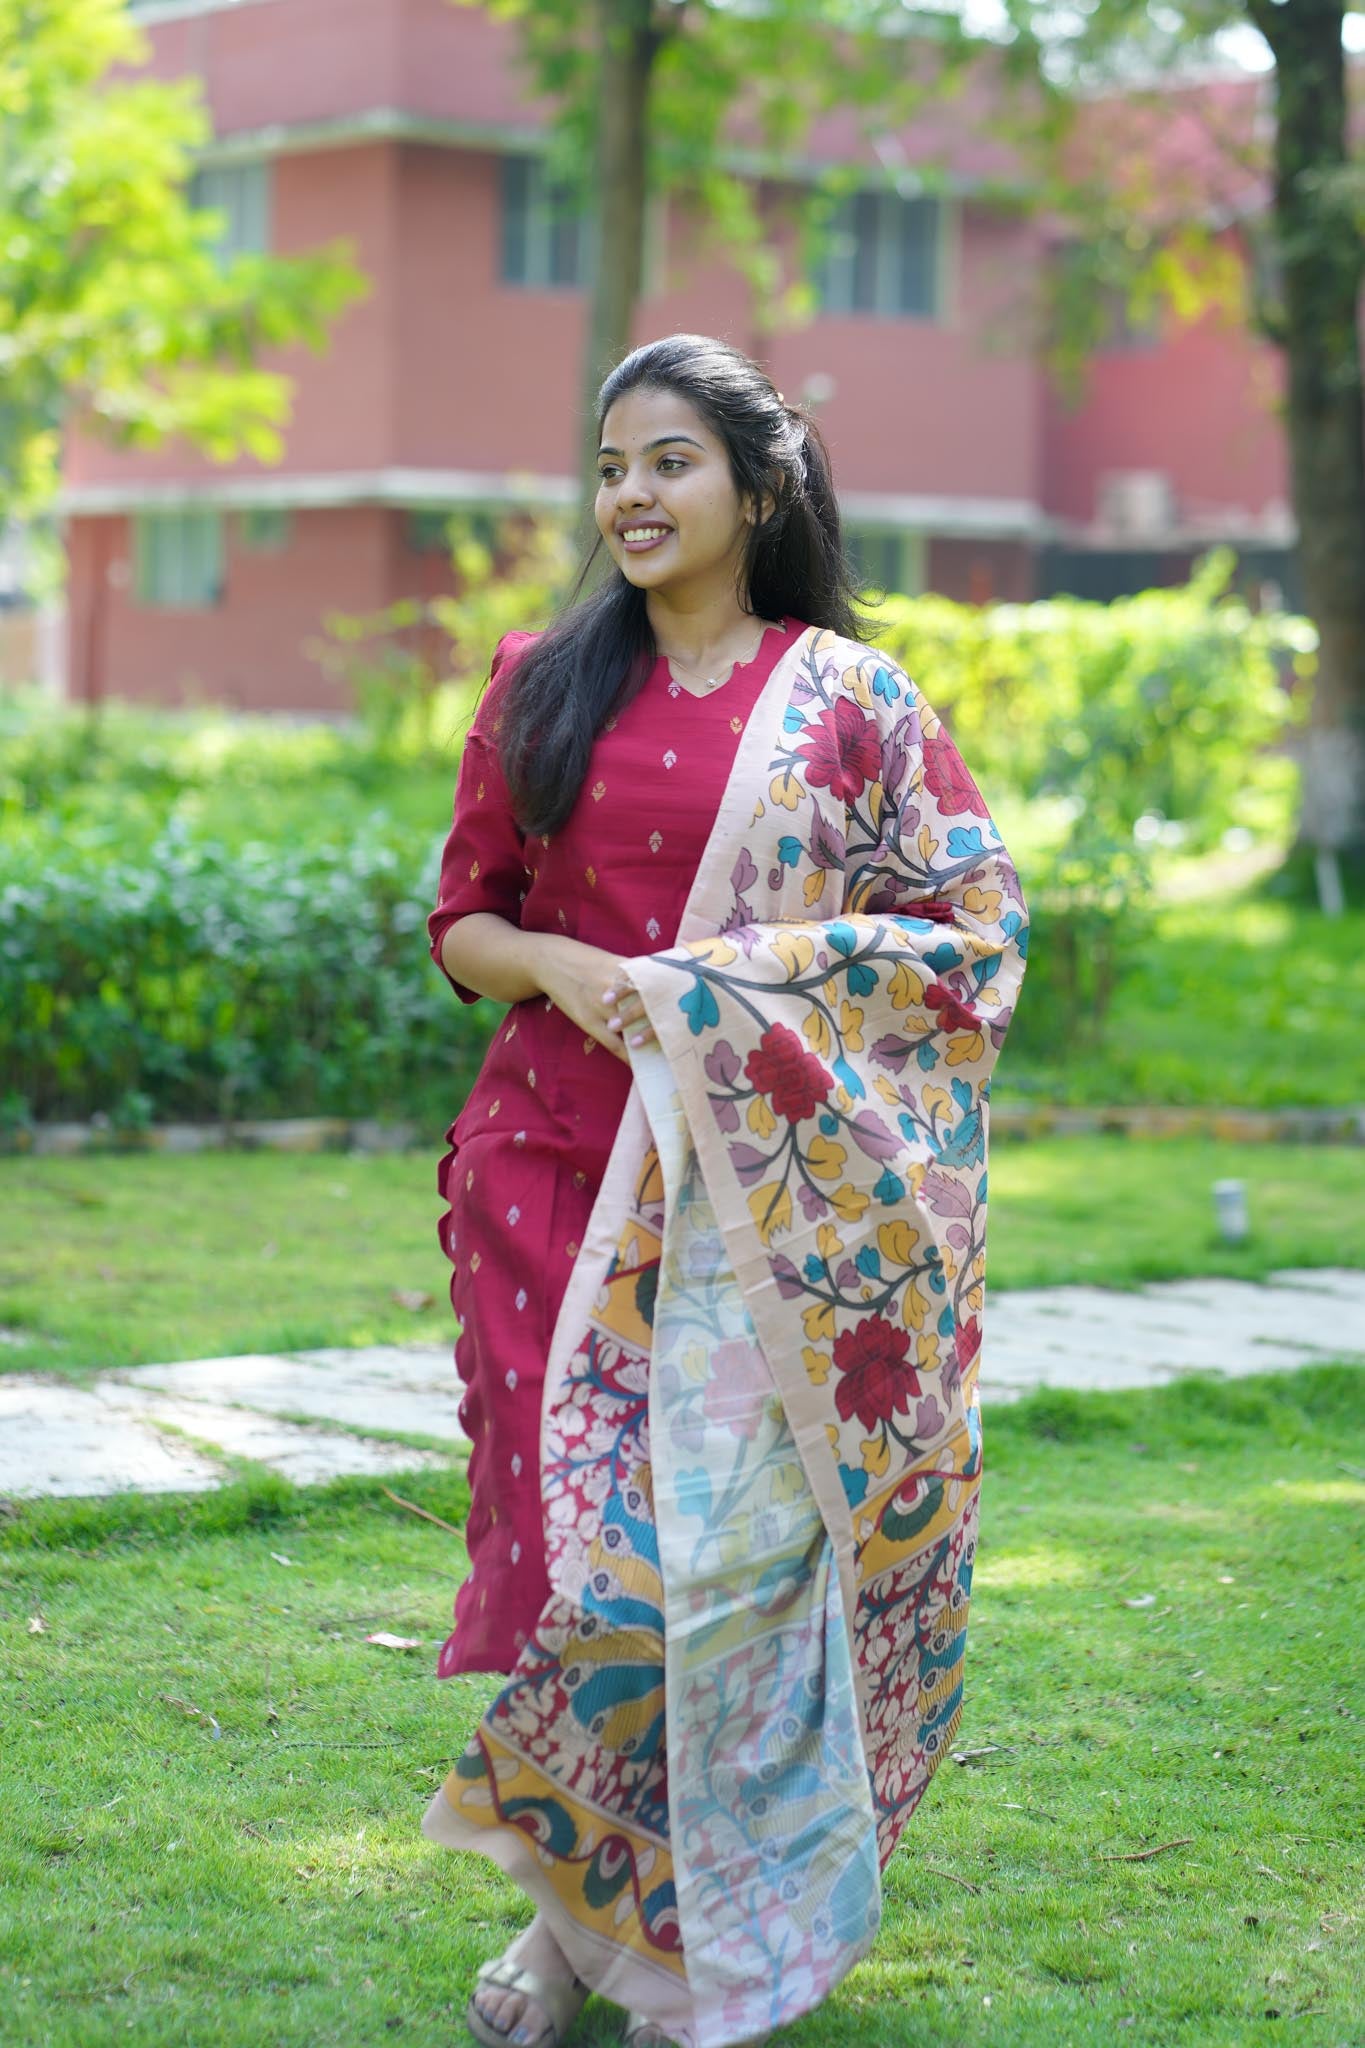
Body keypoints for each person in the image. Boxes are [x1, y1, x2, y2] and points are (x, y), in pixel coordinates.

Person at [423, 333, 1027, 2048]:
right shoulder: (540, 679)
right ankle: (581, 1931)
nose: (630, 494)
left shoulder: (854, 706)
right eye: (611, 465)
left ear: (760, 489)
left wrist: (735, 981)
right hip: (550, 1166)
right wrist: (563, 962)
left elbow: (967, 935)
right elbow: (462, 922)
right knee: (586, 1563)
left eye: (668, 461)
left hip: (768, 1204)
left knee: (708, 1566)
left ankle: (592, 1932)